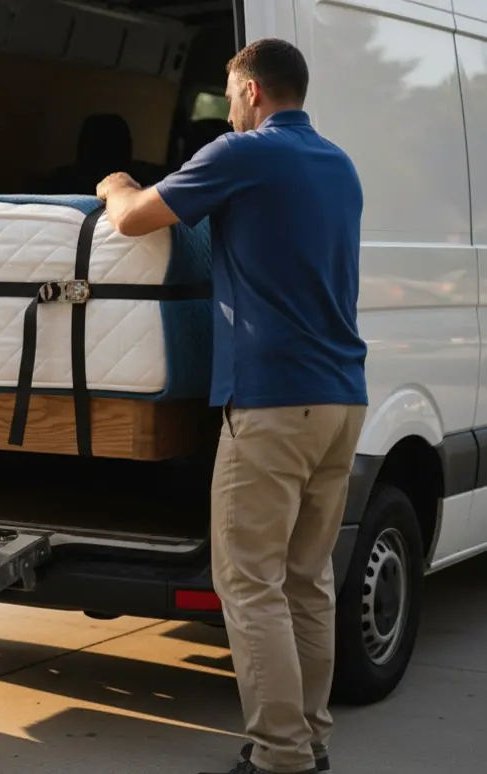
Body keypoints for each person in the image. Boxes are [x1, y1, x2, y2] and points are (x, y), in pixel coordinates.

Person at [95, 39, 367, 774]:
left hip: (273, 401)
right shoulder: (339, 165)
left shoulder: (240, 155)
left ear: (249, 91)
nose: (229, 105)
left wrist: (114, 184)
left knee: (249, 583)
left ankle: (279, 756)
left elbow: (136, 220)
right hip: (342, 398)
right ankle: (310, 740)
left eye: (228, 92)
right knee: (309, 580)